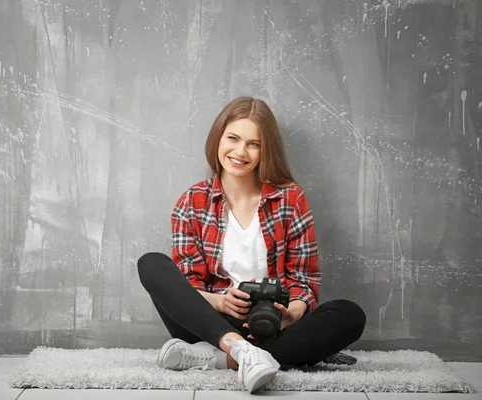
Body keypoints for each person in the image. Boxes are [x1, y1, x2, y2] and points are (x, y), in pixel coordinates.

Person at [137, 96, 366, 393]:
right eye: (233, 138)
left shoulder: (289, 199)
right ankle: (238, 350)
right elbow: (186, 284)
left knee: (349, 315)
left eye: (253, 144)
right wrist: (219, 301)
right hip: (210, 323)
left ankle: (220, 359)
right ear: (218, 138)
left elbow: (304, 280)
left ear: (265, 150)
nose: (240, 151)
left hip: (273, 326)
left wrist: (291, 314)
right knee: (151, 264)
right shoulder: (191, 202)